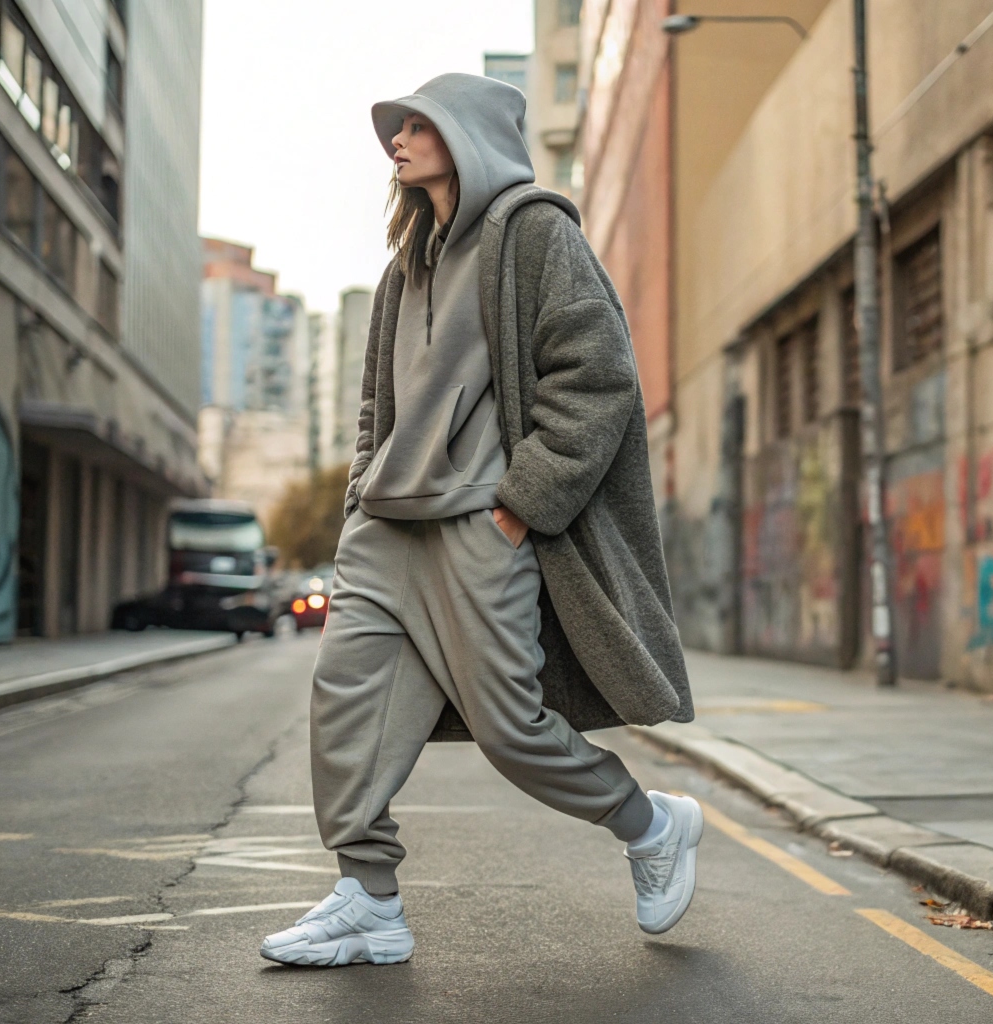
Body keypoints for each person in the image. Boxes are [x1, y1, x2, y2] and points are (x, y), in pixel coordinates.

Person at [259, 74, 700, 967]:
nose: (400, 139)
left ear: (469, 135)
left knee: (511, 727)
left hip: (478, 527)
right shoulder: (404, 265)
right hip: (384, 532)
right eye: (398, 126)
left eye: (419, 124)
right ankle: (369, 899)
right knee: (346, 710)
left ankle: (650, 825)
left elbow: (598, 377)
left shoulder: (534, 234)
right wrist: (357, 503)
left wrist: (518, 508)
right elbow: (379, 401)